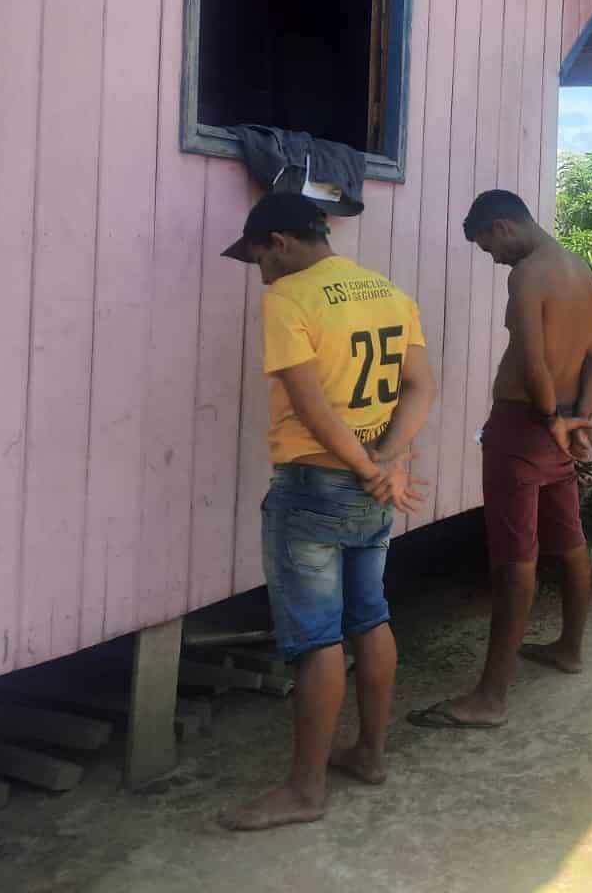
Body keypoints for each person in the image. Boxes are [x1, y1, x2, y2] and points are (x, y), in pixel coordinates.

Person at [217, 192, 435, 831]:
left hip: (315, 489)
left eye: (258, 257)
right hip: (372, 492)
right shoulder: (387, 292)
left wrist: (372, 470)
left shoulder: (288, 298)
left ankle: (305, 791)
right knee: (370, 616)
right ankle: (369, 754)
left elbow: (313, 409)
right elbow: (422, 385)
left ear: (281, 242)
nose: (259, 272)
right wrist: (387, 463)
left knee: (317, 641)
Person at [409, 190, 592, 730]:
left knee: (513, 559)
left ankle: (490, 697)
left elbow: (534, 361)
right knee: (568, 540)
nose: (492, 258)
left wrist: (548, 418)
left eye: (487, 247)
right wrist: (578, 418)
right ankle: (569, 646)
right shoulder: (579, 270)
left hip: (526, 426)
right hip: (562, 424)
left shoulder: (526, 276)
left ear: (502, 227)